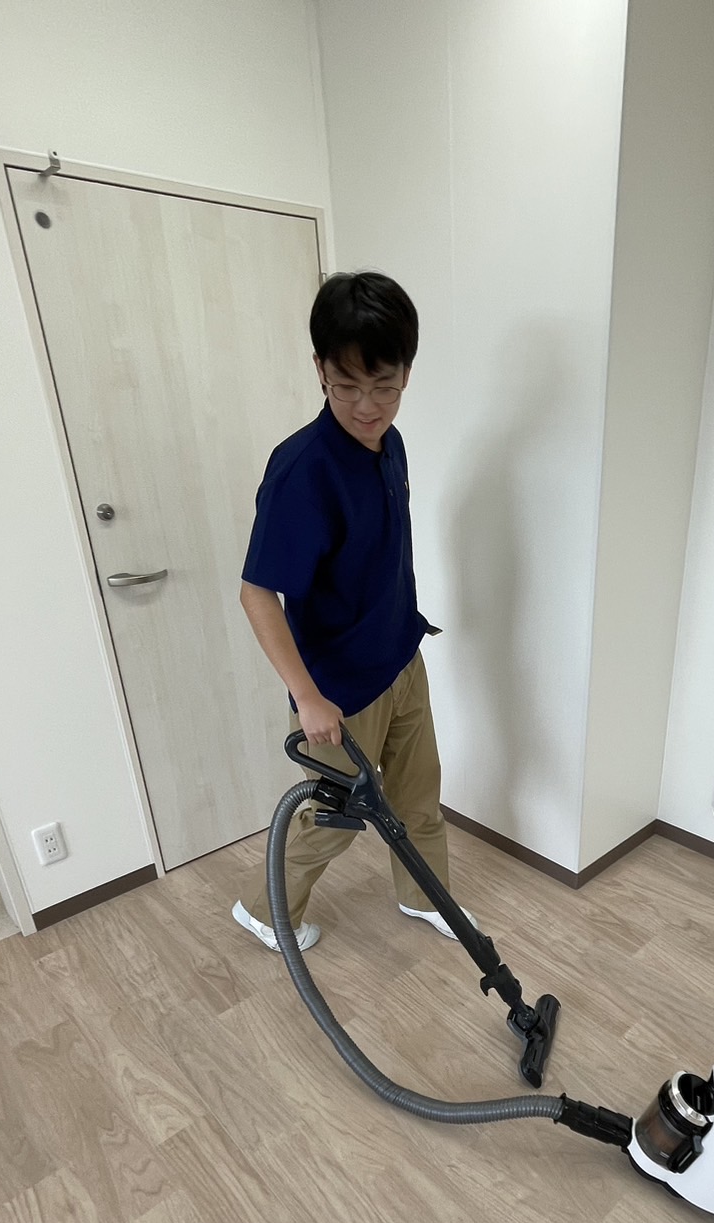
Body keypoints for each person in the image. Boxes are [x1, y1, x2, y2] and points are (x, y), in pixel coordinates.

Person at [232, 271, 474, 952]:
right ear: (320, 370)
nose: (367, 406)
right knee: (332, 823)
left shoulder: (390, 444)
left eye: (384, 386)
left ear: (406, 374)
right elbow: (257, 593)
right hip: (336, 692)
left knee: (419, 799)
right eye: (346, 386)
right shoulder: (303, 470)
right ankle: (264, 911)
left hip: (399, 658)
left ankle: (424, 896)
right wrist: (307, 696)